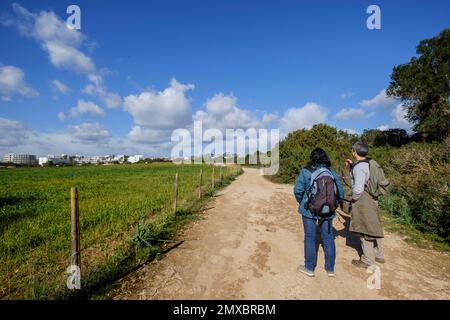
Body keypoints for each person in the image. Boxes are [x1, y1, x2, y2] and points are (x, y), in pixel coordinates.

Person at [294, 148, 345, 277]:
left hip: (309, 211)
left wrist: (304, 203)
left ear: (312, 158)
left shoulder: (306, 171)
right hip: (328, 211)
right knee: (328, 238)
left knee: (310, 237)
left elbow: (298, 190)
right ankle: (330, 269)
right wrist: (333, 205)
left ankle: (309, 268)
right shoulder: (331, 173)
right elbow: (341, 193)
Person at [344, 141, 385, 268]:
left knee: (365, 228)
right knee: (373, 225)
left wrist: (353, 199)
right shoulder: (371, 162)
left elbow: (357, 189)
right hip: (372, 198)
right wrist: (352, 166)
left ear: (354, 151)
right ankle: (379, 254)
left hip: (363, 200)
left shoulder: (359, 167)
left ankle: (368, 260)